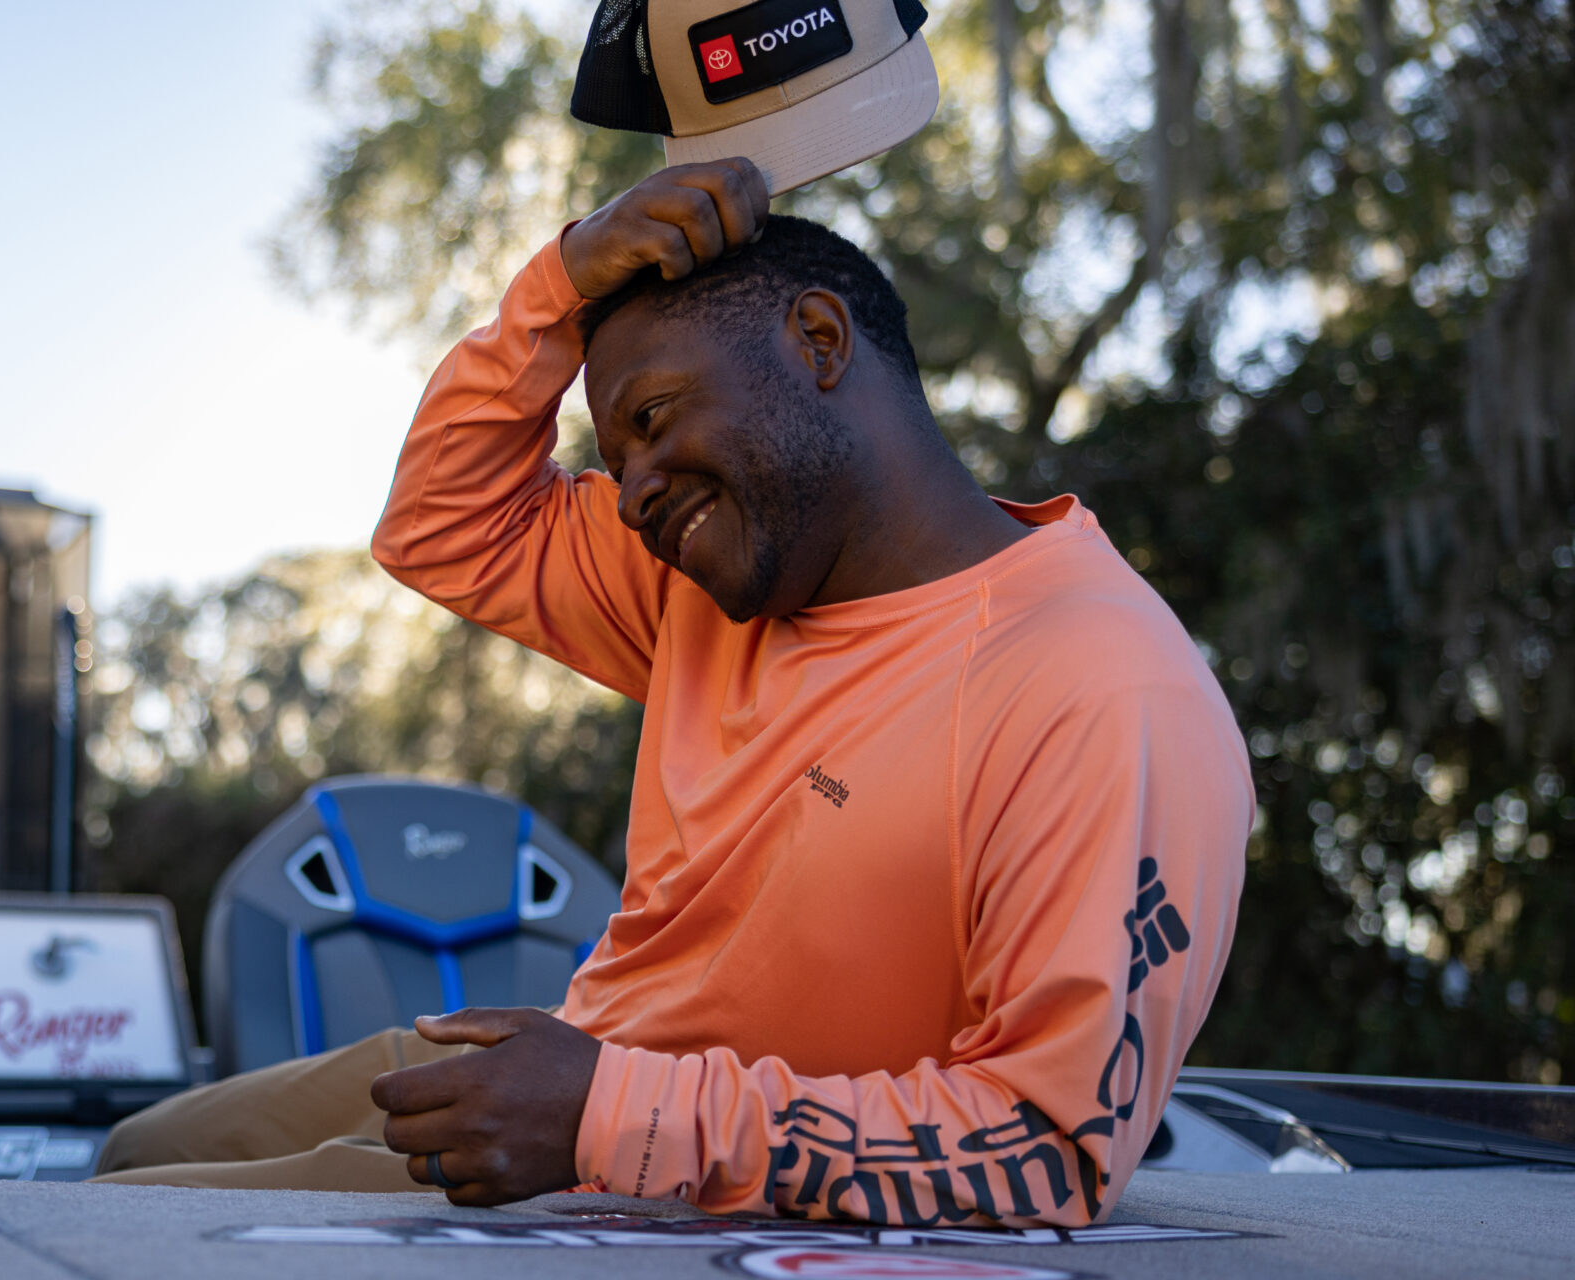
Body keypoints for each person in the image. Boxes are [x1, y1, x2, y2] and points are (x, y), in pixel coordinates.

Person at [94, 158, 1250, 1227]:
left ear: (816, 339)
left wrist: (614, 1113)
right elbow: (439, 524)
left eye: (650, 422)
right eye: (614, 456)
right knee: (130, 1151)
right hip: (571, 1073)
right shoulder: (711, 575)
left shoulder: (1094, 684)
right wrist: (560, 277)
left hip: (656, 1185)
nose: (634, 492)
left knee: (129, 1232)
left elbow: (1049, 1147)